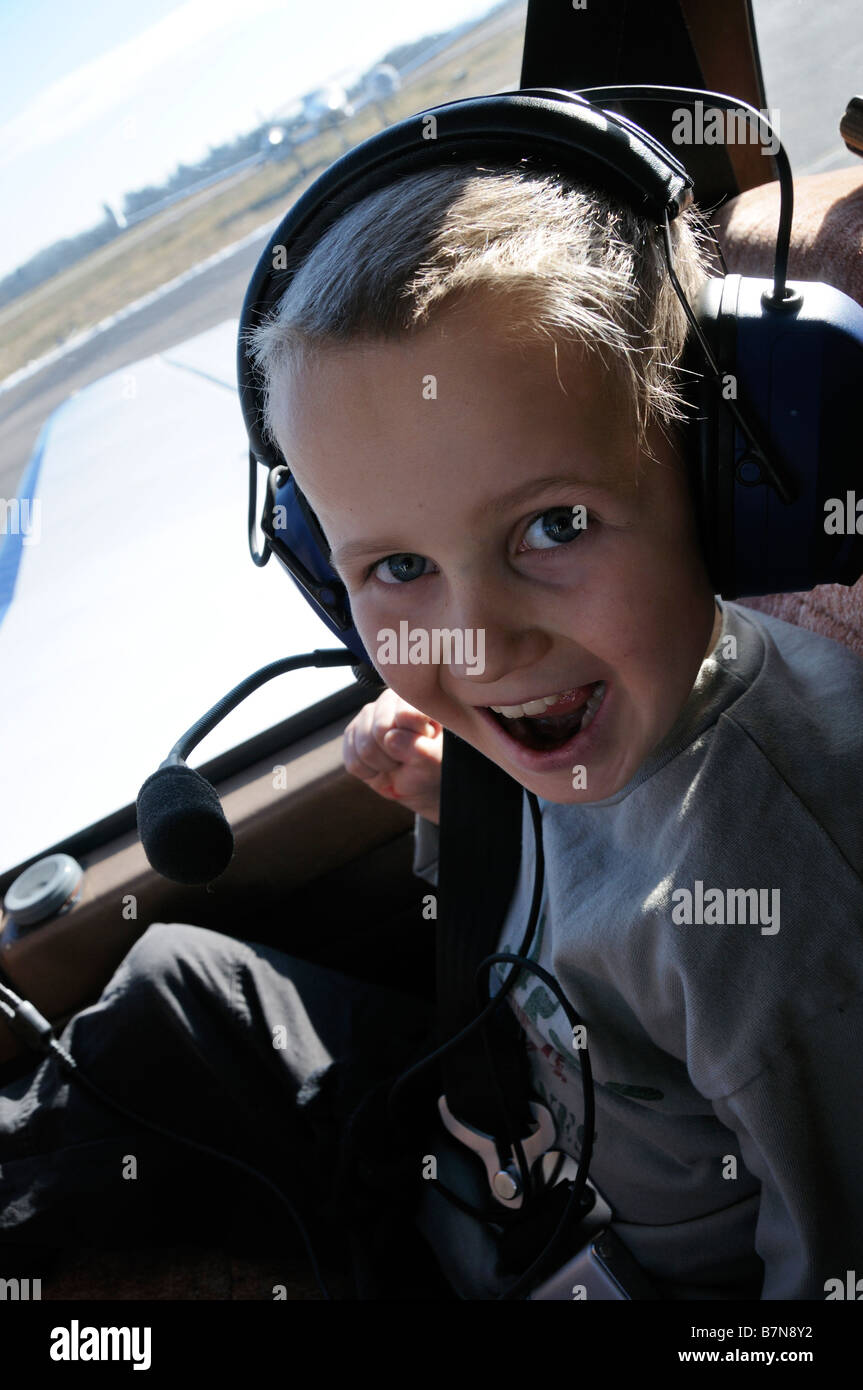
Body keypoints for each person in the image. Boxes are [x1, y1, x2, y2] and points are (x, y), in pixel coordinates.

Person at [247, 160, 863, 1300]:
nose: (474, 644)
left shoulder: (767, 905)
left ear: (722, 486)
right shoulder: (560, 719)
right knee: (180, 984)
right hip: (522, 1159)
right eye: (397, 567)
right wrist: (460, 807)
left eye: (554, 524)